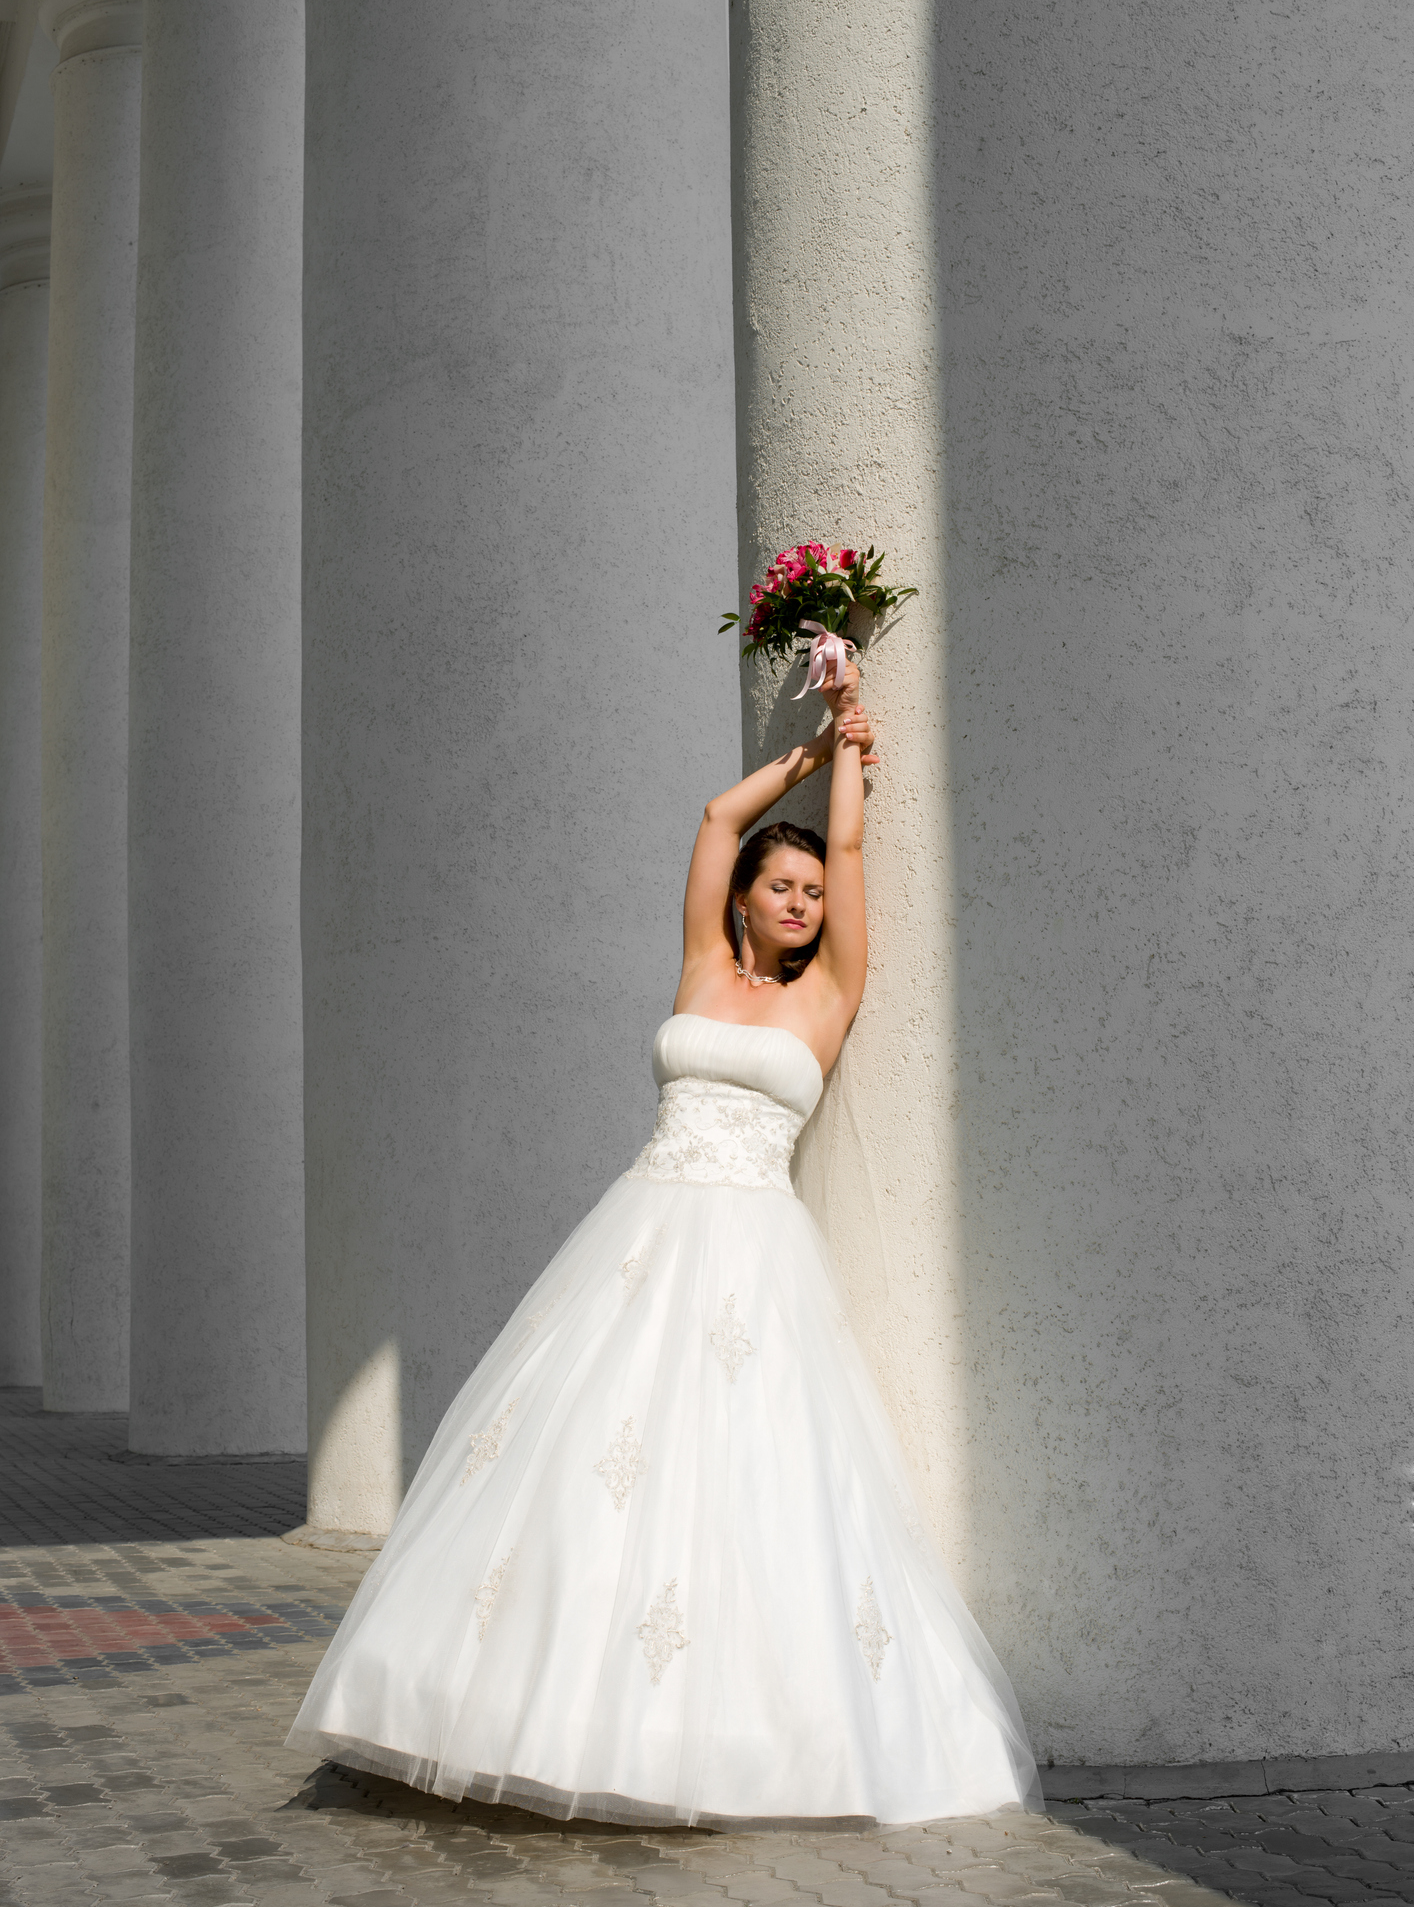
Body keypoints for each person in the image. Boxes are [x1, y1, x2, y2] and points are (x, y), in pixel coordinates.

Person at [287, 661, 1040, 1825]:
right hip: (640, 1234)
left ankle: (721, 1735)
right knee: (585, 1466)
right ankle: (516, 1706)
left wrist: (849, 745)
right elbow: (713, 818)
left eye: (808, 893)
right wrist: (796, 755)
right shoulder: (699, 966)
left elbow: (848, 859)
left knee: (741, 1480)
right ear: (742, 899)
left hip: (751, 1255)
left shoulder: (825, 995)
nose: (799, 902)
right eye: (778, 888)